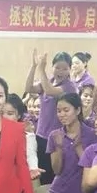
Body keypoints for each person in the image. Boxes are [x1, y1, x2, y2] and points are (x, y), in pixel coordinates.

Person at [25, 50, 77, 185]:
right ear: (52, 67)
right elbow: (29, 88)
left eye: (65, 68)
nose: (61, 71)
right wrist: (34, 66)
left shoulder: (69, 86)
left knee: (54, 176)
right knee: (41, 174)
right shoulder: (49, 81)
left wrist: (41, 69)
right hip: (41, 135)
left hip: (57, 139)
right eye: (57, 67)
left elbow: (49, 91)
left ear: (70, 70)